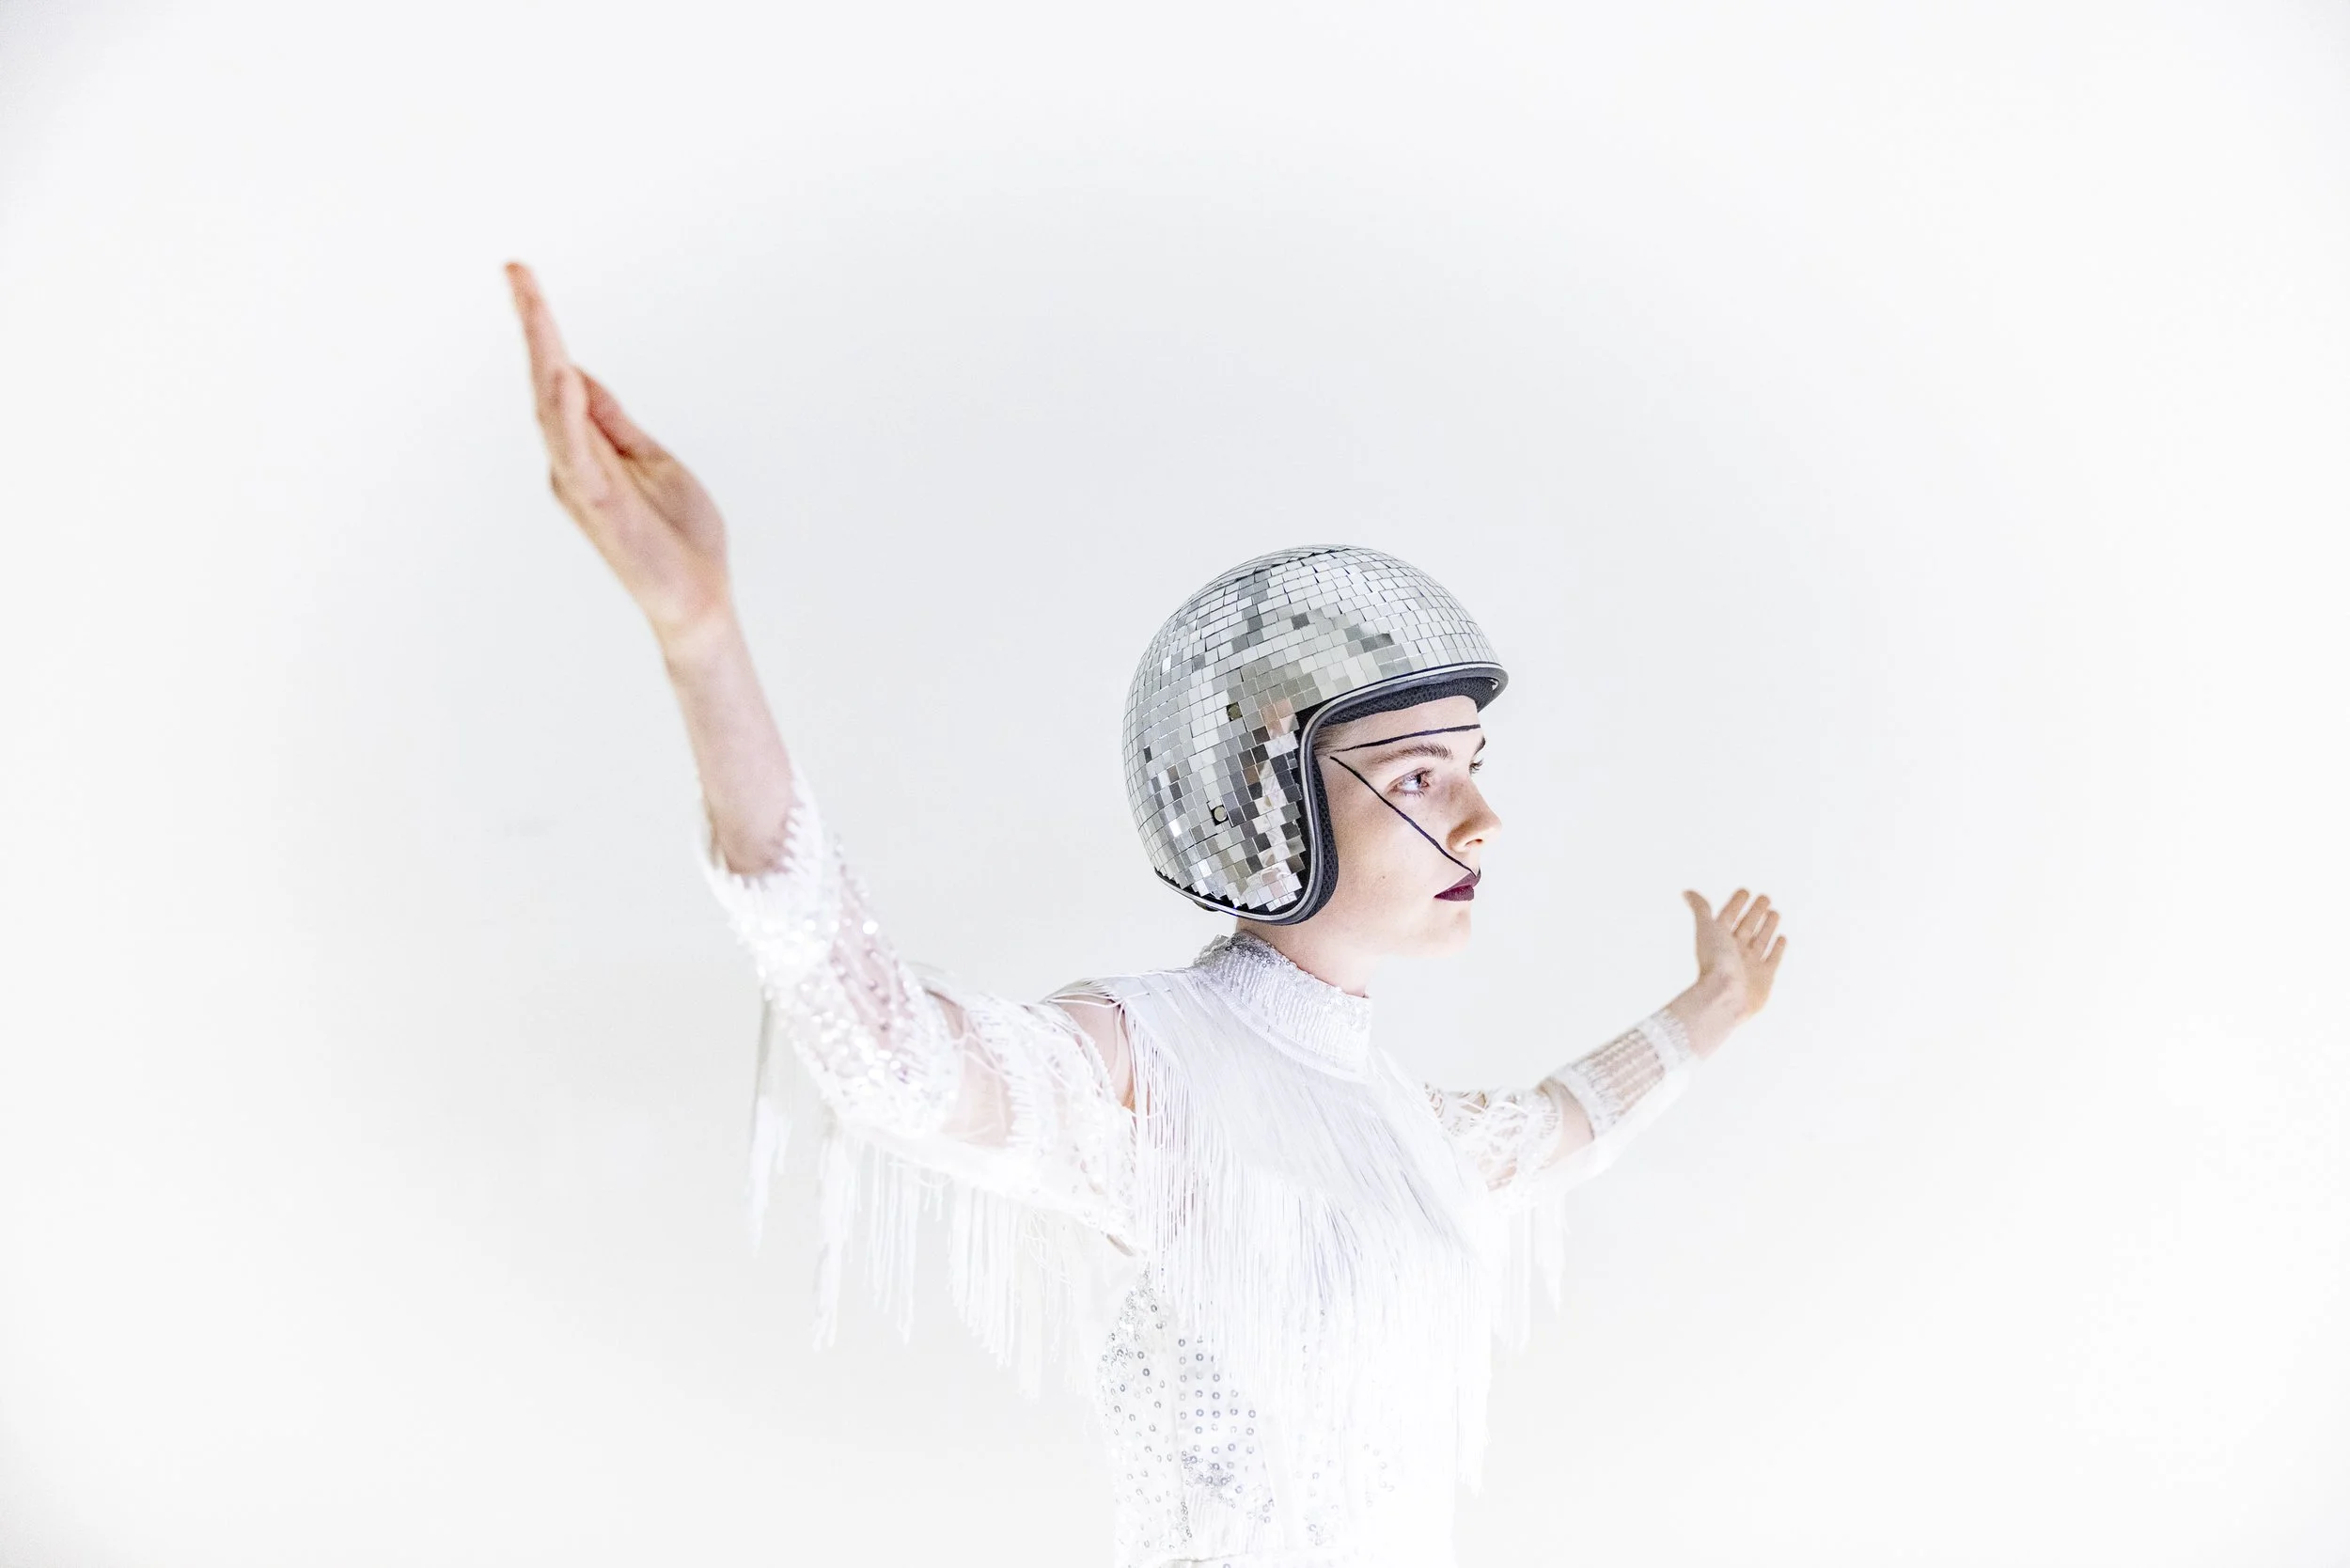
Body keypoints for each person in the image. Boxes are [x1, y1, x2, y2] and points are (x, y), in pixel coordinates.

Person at [505, 260, 1789, 1568]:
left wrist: (1711, 1008)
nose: (1480, 820)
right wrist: (703, 639)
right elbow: (885, 1053)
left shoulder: (1398, 1128)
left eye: (1472, 768)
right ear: (1269, 801)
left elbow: (1568, 1125)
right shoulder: (1149, 1069)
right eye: (1418, 777)